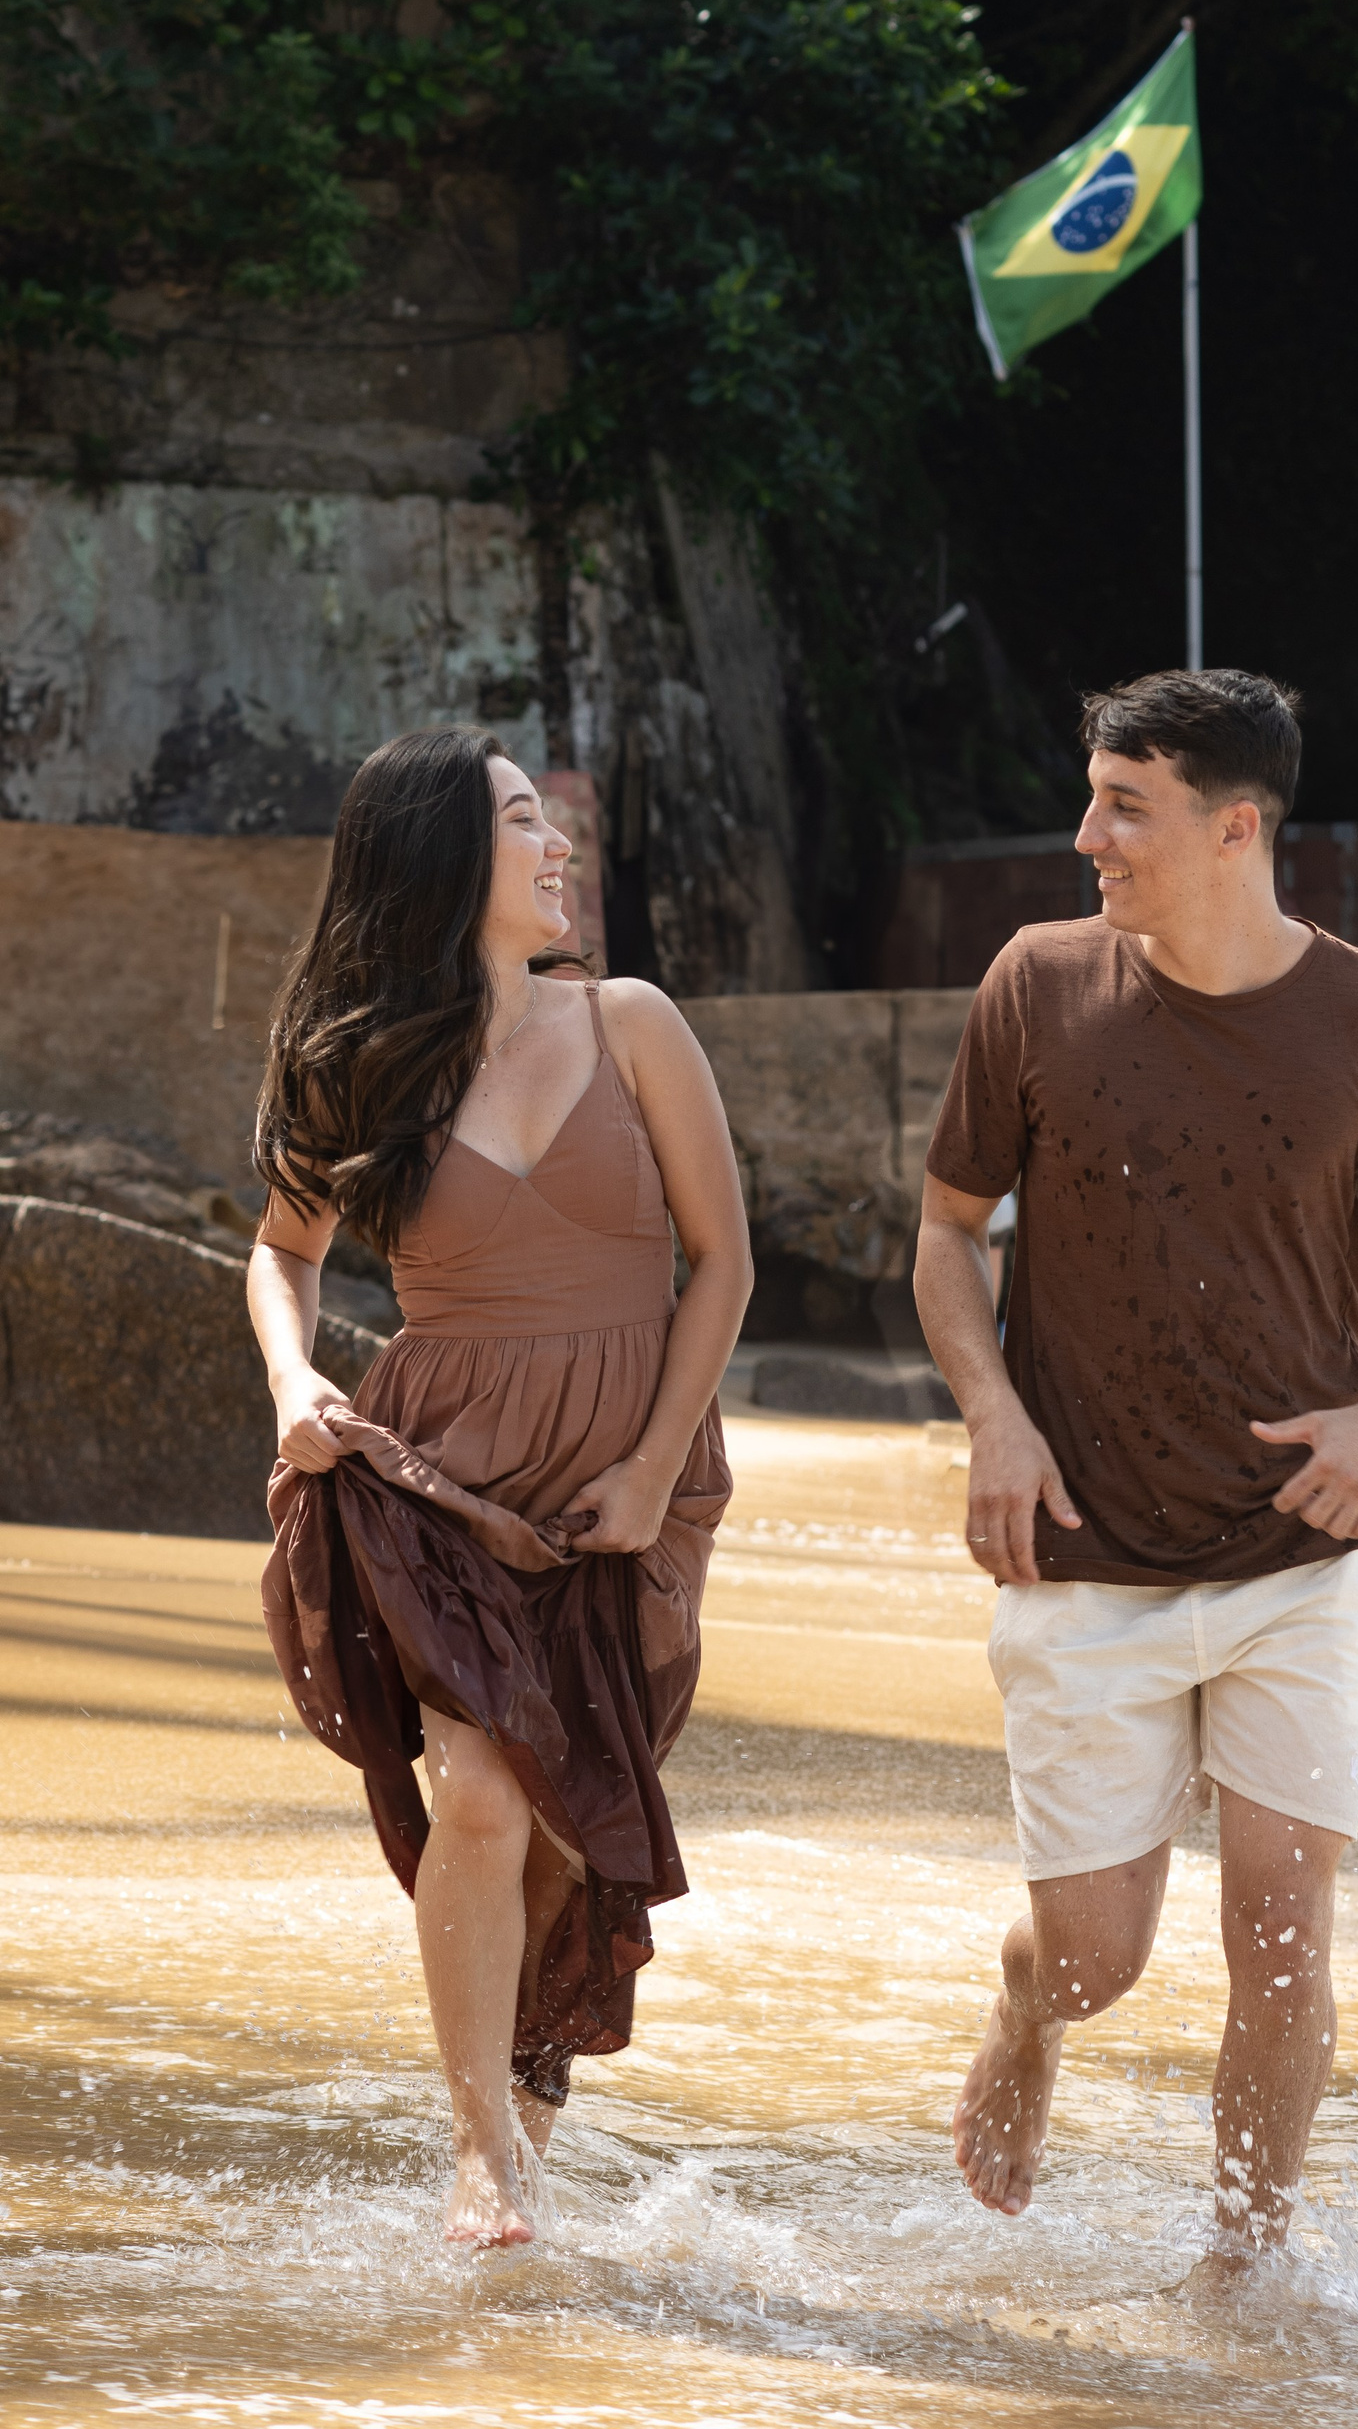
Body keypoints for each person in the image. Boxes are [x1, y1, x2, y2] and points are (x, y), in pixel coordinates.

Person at [913, 668, 1358, 2267]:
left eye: (1127, 808)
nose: (1087, 835)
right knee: (1096, 1959)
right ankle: (1029, 2014)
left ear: (1236, 828)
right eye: (1093, 797)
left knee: (1281, 1929)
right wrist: (993, 1417)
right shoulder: (1038, 984)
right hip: (1082, 1545)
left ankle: (1246, 2263)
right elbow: (948, 1234)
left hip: (1304, 1555)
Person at [247, 727, 751, 2249]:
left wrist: (649, 1475)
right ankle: (481, 2157)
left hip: (624, 1485)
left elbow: (723, 1264)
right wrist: (295, 1383)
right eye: (525, 820)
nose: (558, 844)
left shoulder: (634, 1024)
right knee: (479, 1792)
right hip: (444, 1480)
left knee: (561, 1825)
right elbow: (282, 1252)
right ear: (444, 859)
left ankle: (521, 2130)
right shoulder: (357, 1063)